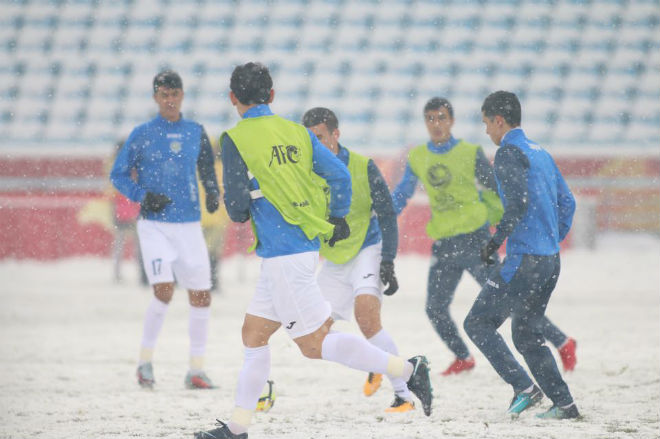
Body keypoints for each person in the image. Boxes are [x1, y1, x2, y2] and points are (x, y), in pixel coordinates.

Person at [194, 62, 433, 439]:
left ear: (232, 98)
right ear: (271, 96)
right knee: (253, 333)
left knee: (314, 345)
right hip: (298, 247)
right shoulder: (298, 133)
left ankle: (408, 370)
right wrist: (336, 215)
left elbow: (238, 207)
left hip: (283, 255)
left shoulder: (235, 138)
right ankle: (237, 427)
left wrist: (242, 208)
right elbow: (338, 174)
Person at [392, 97, 577, 376]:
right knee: (434, 308)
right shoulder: (418, 156)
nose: (436, 124)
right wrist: (383, 213)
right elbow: (403, 192)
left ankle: (562, 341)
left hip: (475, 241)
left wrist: (499, 223)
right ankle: (463, 356)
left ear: (451, 121)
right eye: (430, 119)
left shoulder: (469, 151)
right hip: (444, 243)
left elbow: (497, 187)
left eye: (441, 117)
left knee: (510, 302)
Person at [463, 91, 579, 419]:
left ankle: (524, 387)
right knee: (527, 334)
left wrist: (494, 241)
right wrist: (551, 238)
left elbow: (516, 205)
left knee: (478, 323)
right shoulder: (540, 151)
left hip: (524, 259)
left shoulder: (507, 152)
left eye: (487, 123)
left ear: (499, 120)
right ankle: (565, 406)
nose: (486, 131)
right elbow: (568, 202)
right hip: (550, 260)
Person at [110, 70, 221, 390]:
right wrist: (143, 196)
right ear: (156, 98)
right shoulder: (142, 133)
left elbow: (205, 168)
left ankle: (196, 369)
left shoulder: (195, 131)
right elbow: (118, 175)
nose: (170, 100)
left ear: (182, 95)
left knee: (201, 295)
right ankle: (145, 363)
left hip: (189, 224)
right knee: (164, 291)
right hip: (155, 225)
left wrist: (212, 192)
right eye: (164, 95)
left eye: (174, 94)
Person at [301, 107, 414, 413]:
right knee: (314, 333)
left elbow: (388, 214)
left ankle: (404, 395)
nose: (316, 145)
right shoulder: (304, 172)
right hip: (334, 260)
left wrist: (388, 260)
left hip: (368, 248)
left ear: (336, 135)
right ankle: (376, 359)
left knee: (366, 317)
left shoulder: (363, 166)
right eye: (310, 140)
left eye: (321, 137)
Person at [109, 138, 148, 286]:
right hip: (130, 210)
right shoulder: (132, 166)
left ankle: (122, 273)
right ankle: (138, 273)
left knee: (123, 243)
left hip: (125, 210)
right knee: (133, 244)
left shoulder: (118, 167)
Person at [198, 138, 230, 293]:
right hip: (216, 218)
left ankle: (202, 283)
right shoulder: (222, 168)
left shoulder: (197, 169)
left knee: (201, 253)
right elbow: (225, 195)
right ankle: (212, 282)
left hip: (199, 218)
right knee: (213, 253)